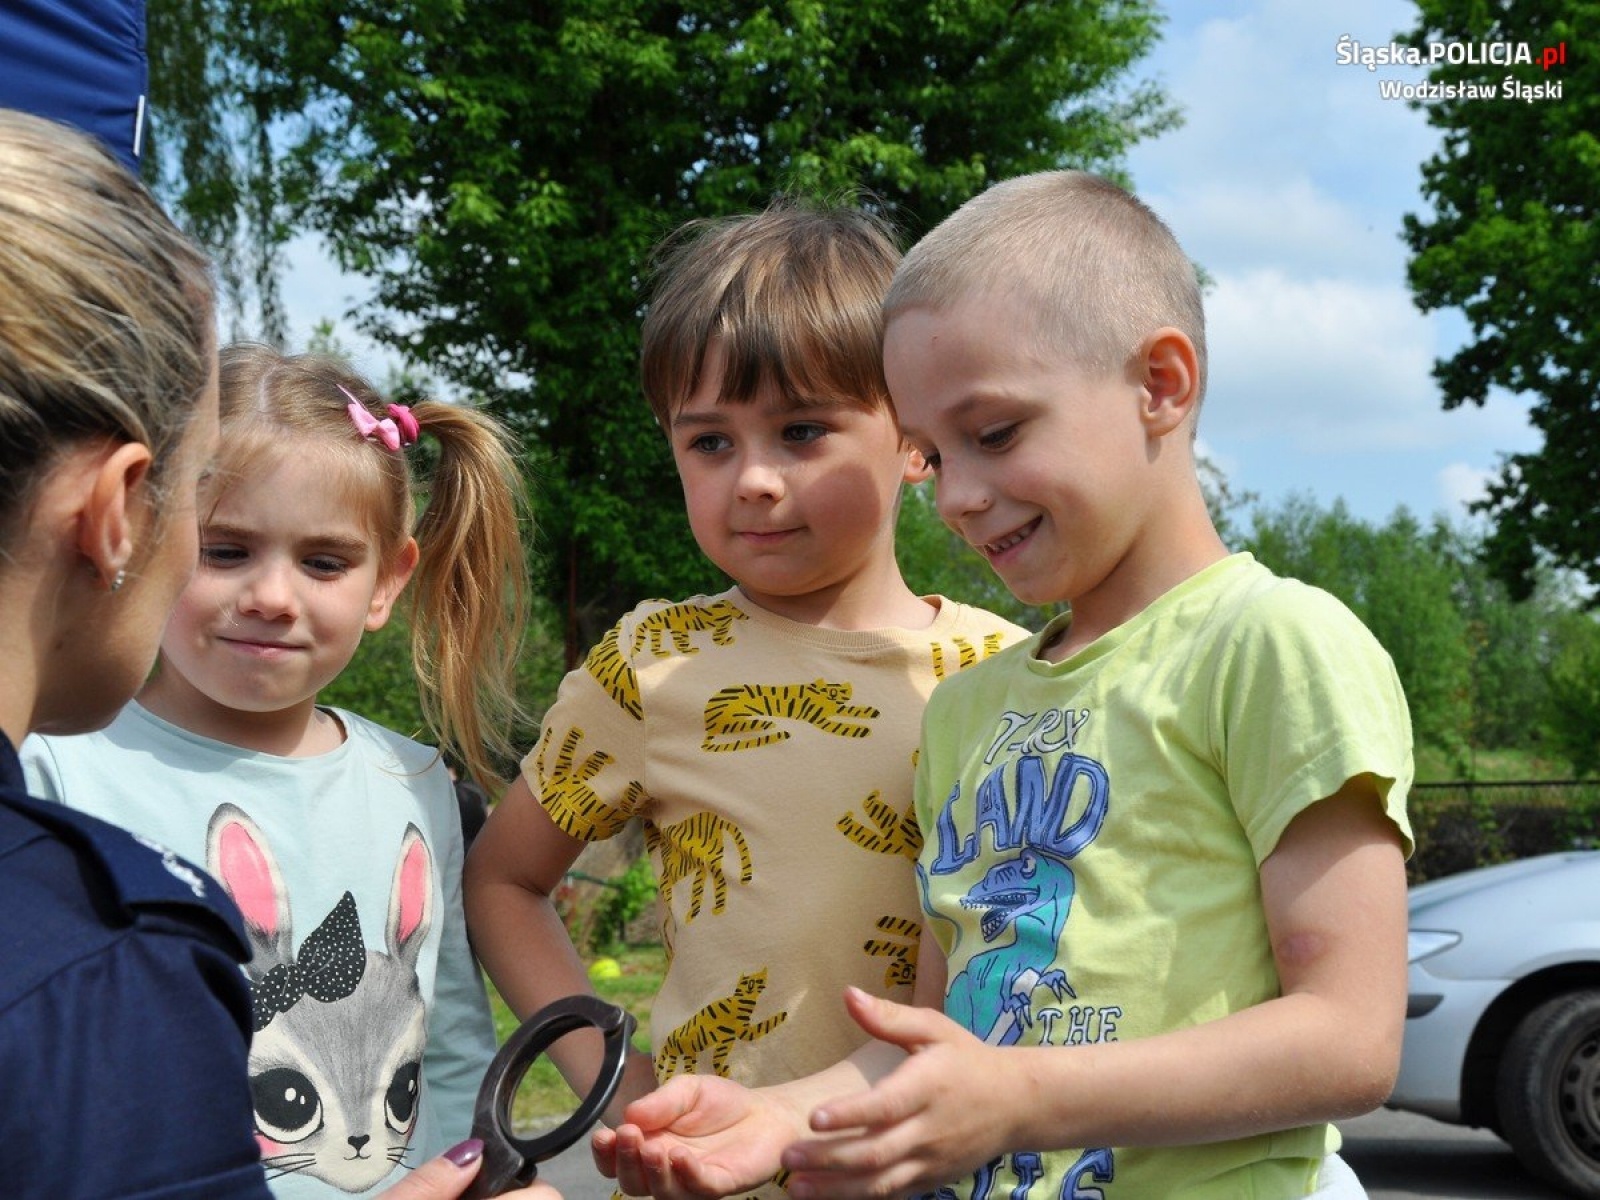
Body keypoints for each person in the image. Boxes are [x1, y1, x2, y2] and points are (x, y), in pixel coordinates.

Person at [595, 171, 1415, 1200]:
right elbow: (946, 1045)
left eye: (995, 434)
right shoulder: (970, 708)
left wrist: (1022, 1096)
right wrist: (778, 1115)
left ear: (1160, 383)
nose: (962, 496)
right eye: (934, 454)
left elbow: (1346, 1040)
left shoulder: (1272, 646)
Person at [0, 106, 556, 1200]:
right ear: (135, 524)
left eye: (322, 563)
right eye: (225, 550)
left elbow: (446, 1040)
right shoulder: (59, 773)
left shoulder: (413, 781)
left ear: (390, 581)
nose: (268, 598)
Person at [463, 200, 1030, 1195]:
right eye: (710, 442)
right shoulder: (654, 663)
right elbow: (504, 884)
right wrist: (625, 1091)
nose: (754, 480)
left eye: (800, 430)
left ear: (913, 440)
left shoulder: (1016, 675)